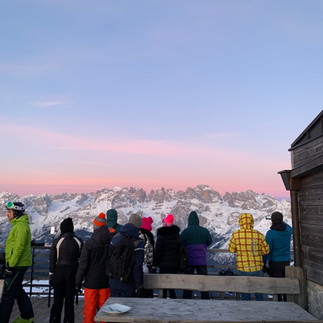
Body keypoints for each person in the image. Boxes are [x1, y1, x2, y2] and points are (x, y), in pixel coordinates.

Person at [0, 202, 34, 323]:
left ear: (16, 213)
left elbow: (18, 248)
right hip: (17, 263)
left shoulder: (20, 227)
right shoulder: (19, 225)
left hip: (17, 265)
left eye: (9, 212)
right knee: (18, 290)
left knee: (7, 295)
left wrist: (11, 266)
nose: (7, 214)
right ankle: (27, 317)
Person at [75, 213, 112, 323]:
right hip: (105, 281)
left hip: (91, 283)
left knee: (90, 311)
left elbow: (83, 265)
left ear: (95, 227)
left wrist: (77, 282)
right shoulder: (110, 243)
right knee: (105, 311)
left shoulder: (89, 243)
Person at [228, 212, 270, 301]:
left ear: (240, 222)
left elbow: (231, 249)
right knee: (259, 294)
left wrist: (239, 249)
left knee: (245, 294)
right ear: (252, 222)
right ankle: (262, 312)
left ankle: (246, 312)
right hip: (257, 268)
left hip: (242, 268)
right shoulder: (259, 234)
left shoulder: (235, 234)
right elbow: (266, 251)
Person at [49, 217, 83, 323]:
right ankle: (68, 321)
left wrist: (51, 274)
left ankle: (54, 320)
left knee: (57, 302)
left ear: (62, 229)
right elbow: (82, 260)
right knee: (69, 303)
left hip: (59, 273)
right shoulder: (79, 241)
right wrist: (80, 278)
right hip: (72, 274)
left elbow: (52, 259)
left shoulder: (57, 241)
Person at [108, 213, 144, 297]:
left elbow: (109, 257)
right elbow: (137, 267)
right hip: (128, 282)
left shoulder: (116, 237)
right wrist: (139, 285)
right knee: (127, 307)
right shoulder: (138, 242)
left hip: (113, 280)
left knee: (114, 307)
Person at [180, 211, 213, 299]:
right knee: (203, 281)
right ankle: (205, 299)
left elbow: (181, 244)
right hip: (201, 260)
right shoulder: (204, 231)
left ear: (189, 221)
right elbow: (209, 242)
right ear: (198, 220)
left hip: (189, 260)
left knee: (188, 282)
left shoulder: (185, 232)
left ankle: (187, 299)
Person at [263, 211, 293, 301]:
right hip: (286, 261)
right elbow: (288, 226)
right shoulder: (288, 230)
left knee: (276, 284)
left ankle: (279, 302)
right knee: (284, 283)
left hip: (275, 262)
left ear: (272, 221)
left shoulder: (270, 234)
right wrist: (280, 221)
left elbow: (267, 250)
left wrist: (263, 263)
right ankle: (286, 301)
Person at [152, 214, 181, 299]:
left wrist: (154, 265)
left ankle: (163, 302)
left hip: (164, 265)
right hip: (175, 264)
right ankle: (174, 301)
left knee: (163, 285)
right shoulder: (177, 236)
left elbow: (158, 252)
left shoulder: (161, 236)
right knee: (171, 286)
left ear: (165, 223)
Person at [139, 216, 155, 298]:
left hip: (142, 264)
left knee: (141, 286)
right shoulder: (150, 235)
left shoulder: (141, 235)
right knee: (149, 288)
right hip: (149, 265)